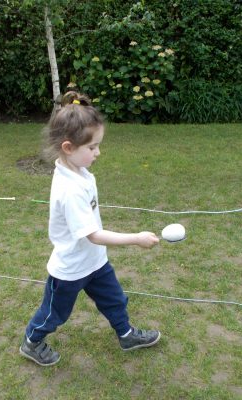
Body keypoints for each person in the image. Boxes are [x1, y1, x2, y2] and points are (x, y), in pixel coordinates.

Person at [20, 91, 160, 366]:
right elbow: (93, 235)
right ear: (68, 147)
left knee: (115, 299)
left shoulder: (79, 172)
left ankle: (126, 333)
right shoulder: (69, 189)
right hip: (71, 269)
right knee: (54, 313)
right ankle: (31, 342)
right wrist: (136, 238)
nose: (98, 152)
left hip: (94, 262)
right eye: (93, 147)